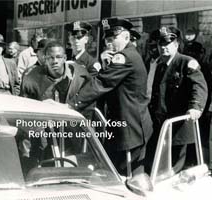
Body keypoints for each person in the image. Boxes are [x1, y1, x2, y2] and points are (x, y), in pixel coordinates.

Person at [67, 17, 153, 176]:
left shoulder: (124, 57)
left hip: (130, 128)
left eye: (114, 38)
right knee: (116, 173)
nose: (109, 42)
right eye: (107, 38)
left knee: (126, 177)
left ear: (126, 37)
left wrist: (72, 104)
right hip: (126, 125)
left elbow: (101, 82)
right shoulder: (126, 56)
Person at [149, 26, 208, 173]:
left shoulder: (186, 62)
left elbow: (199, 86)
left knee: (174, 168)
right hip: (161, 123)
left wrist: (195, 106)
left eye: (167, 44)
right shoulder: (160, 66)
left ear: (176, 45)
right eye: (160, 44)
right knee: (160, 165)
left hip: (179, 125)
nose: (163, 47)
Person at [20, 40, 92, 116]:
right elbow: (25, 107)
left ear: (65, 58)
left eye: (58, 57)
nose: (55, 61)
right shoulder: (31, 77)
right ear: (45, 59)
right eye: (51, 57)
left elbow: (88, 107)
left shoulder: (80, 77)